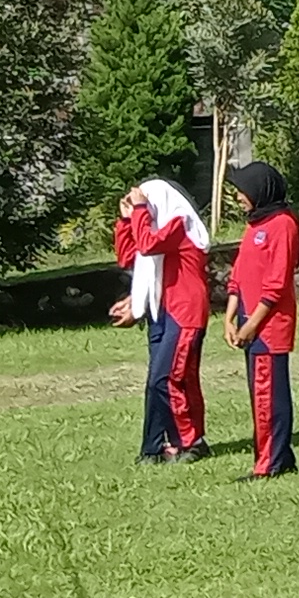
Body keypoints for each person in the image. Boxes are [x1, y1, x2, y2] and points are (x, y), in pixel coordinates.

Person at [111, 177, 214, 462]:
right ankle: (153, 448)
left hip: (185, 312)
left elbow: (147, 245)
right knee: (157, 382)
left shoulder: (180, 223)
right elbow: (128, 256)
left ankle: (191, 442)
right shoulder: (157, 226)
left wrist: (139, 210)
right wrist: (126, 220)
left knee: (169, 378)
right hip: (162, 310)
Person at [222, 161, 299, 479]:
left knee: (268, 395)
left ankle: (270, 463)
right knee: (260, 395)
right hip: (248, 321)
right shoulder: (255, 224)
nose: (239, 196)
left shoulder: (283, 224)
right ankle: (280, 457)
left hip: (268, 326)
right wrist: (230, 318)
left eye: (242, 190)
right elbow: (239, 274)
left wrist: (252, 324)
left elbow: (277, 283)